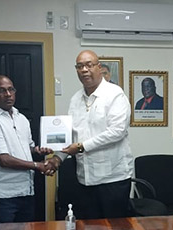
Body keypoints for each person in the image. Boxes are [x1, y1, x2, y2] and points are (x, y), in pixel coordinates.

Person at [49, 50, 133, 220]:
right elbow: (72, 136)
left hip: (113, 179)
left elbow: (117, 131)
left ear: (99, 68)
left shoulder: (114, 94)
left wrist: (81, 146)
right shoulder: (75, 100)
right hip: (85, 179)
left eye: (89, 65)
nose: (84, 70)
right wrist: (57, 158)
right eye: (80, 66)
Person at [0, 75, 53, 230]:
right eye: (2, 90)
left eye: (11, 89)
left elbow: (29, 147)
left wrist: (39, 151)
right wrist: (37, 166)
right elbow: (3, 159)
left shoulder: (21, 118)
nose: (8, 94)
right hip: (3, 197)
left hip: (26, 192)